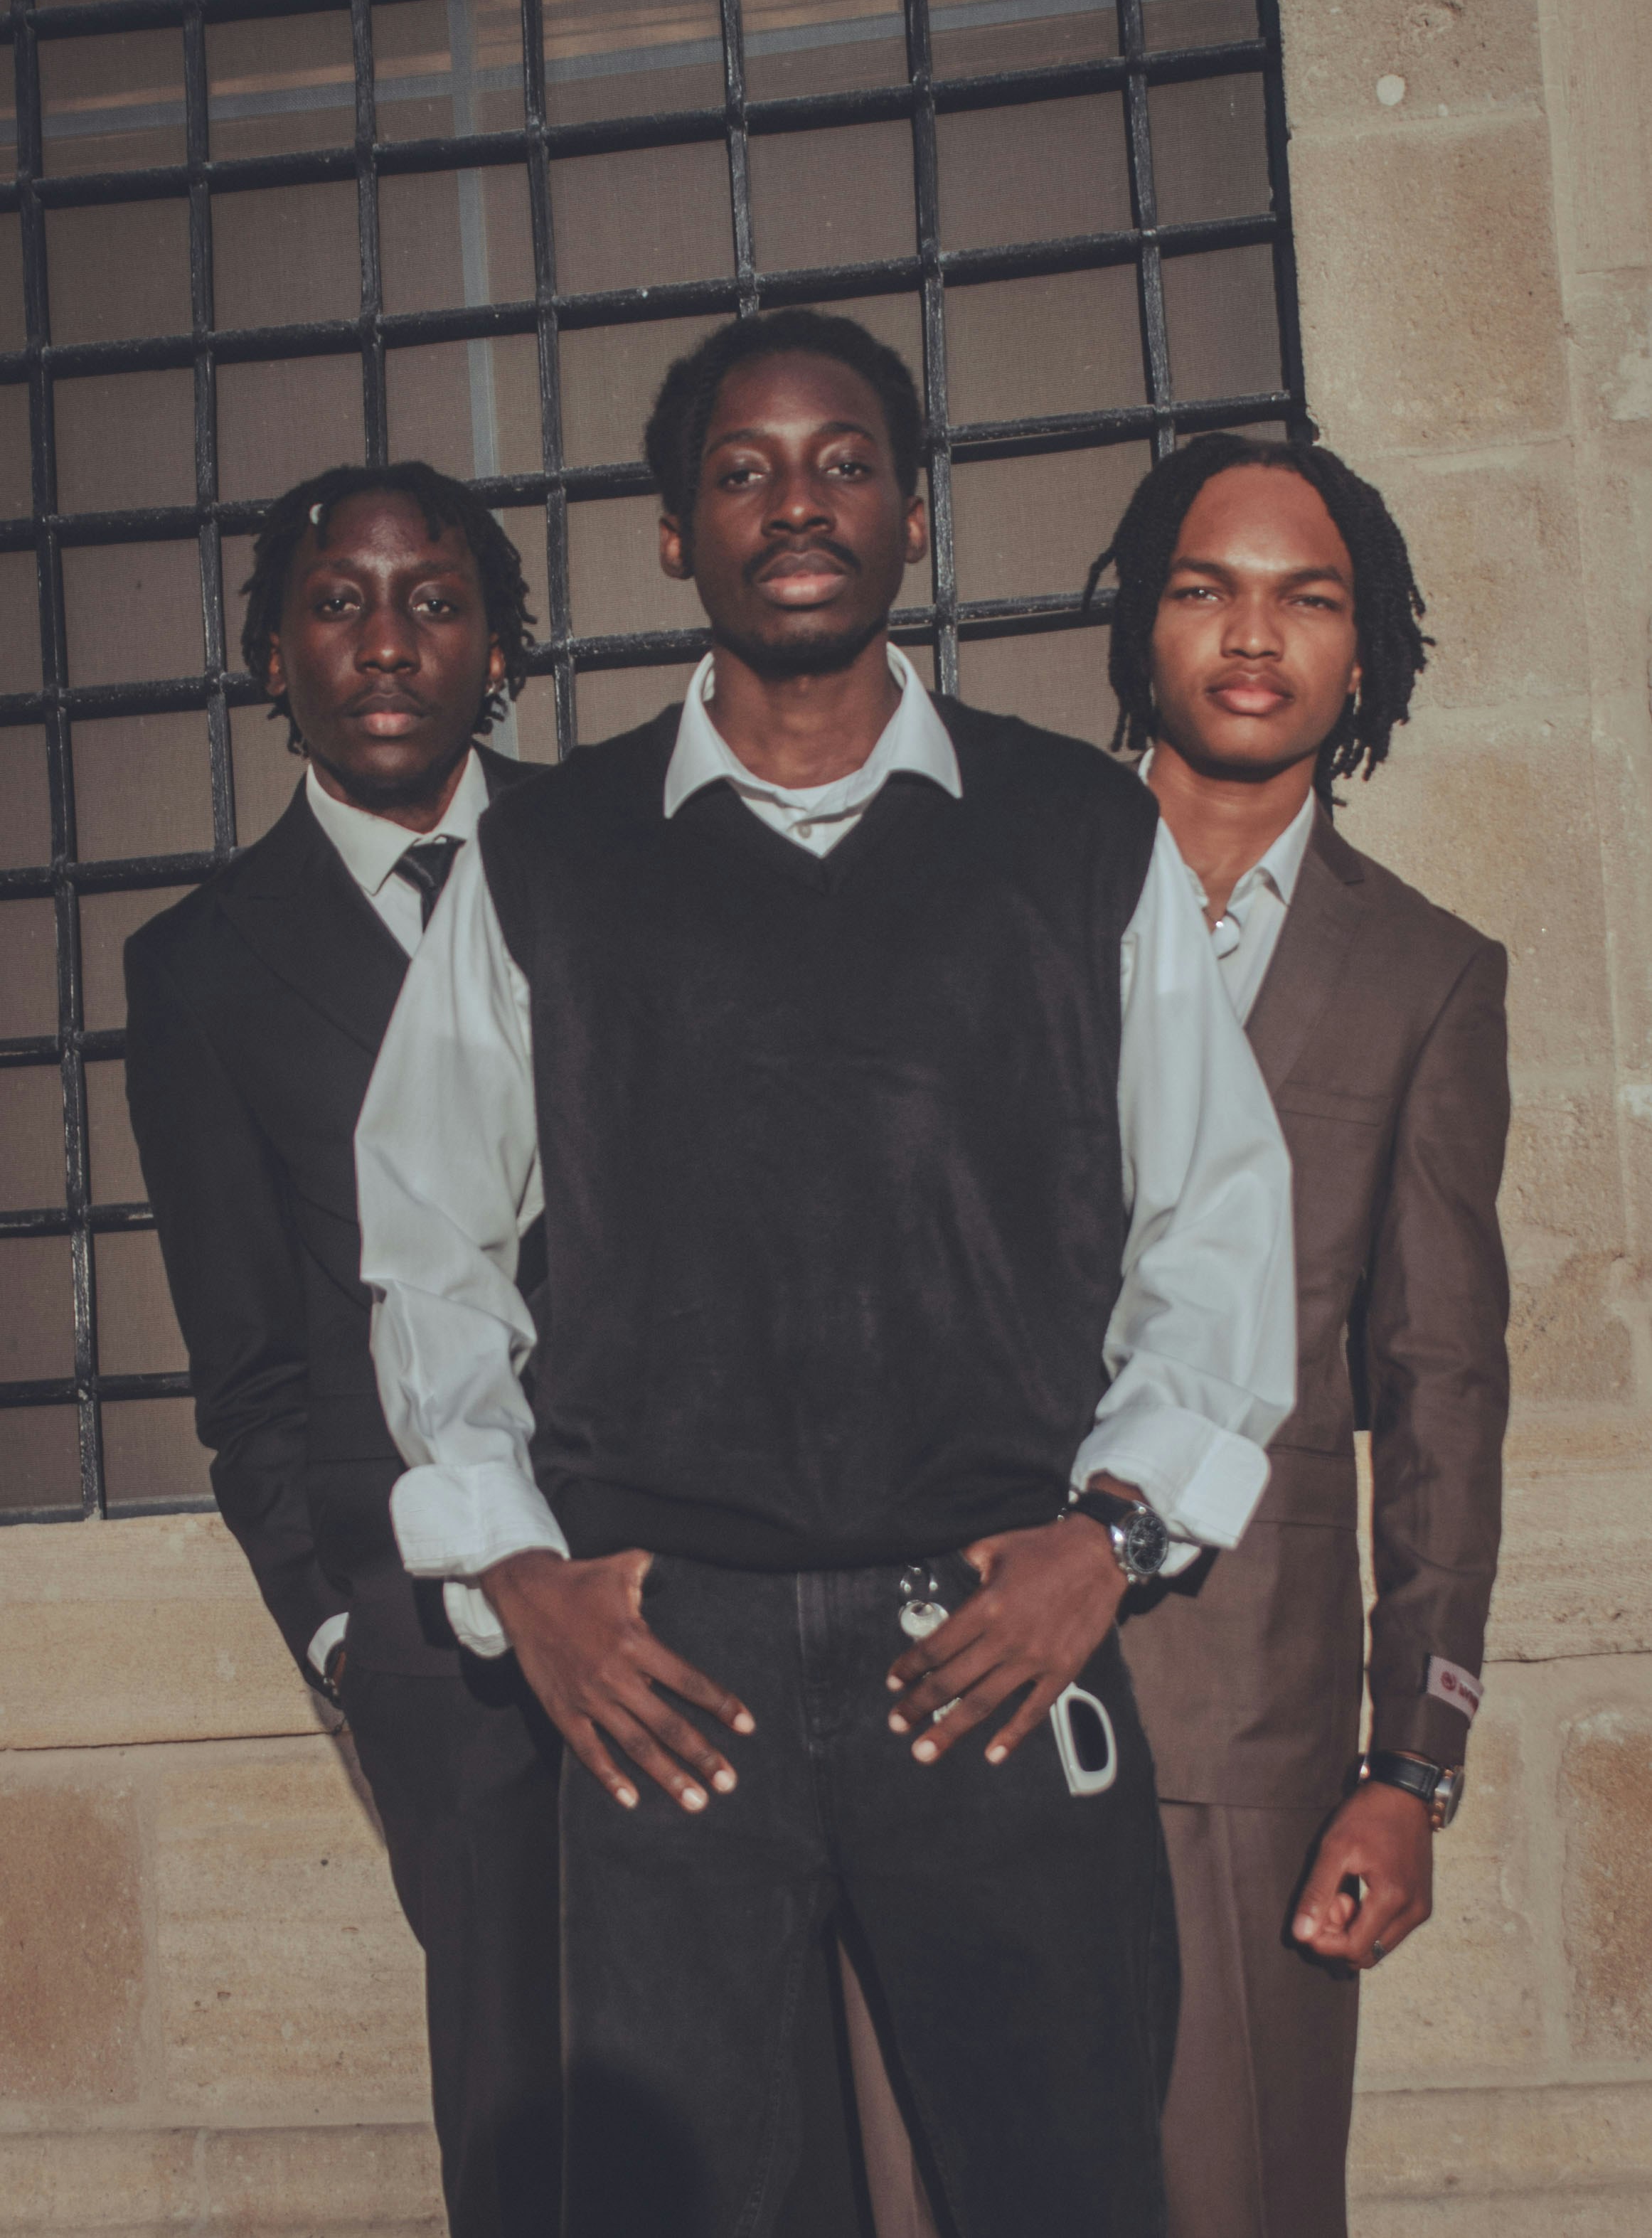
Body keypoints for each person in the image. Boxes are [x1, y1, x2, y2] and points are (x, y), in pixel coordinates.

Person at [355, 308, 1299, 2238]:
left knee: (1066, 2194)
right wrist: (512, 1570)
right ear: (672, 534)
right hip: (662, 1662)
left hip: (991, 1637)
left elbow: (1217, 1209)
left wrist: (1107, 1534)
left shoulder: (1073, 832)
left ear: (914, 513)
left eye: (844, 459)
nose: (797, 501)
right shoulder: (548, 855)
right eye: (744, 466)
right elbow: (426, 1232)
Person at [124, 464, 562, 2238]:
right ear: (271, 656)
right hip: (430, 1648)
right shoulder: (201, 969)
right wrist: (338, 1624)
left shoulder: (623, 854)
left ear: (501, 648)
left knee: (751, 2073)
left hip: (685, 1570)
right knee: (528, 2108)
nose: (388, 641)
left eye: (434, 599)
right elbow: (249, 1367)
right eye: (339, 602)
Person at [1091, 433, 1510, 2238]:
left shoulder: (1424, 976)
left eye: (1304, 596)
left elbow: (1438, 1396)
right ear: (1143, 621)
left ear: (1363, 654)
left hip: (1246, 1726)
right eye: (1207, 587)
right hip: (934, 1688)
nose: (1252, 635)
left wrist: (1406, 1772)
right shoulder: (1001, 887)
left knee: (1229, 2203)